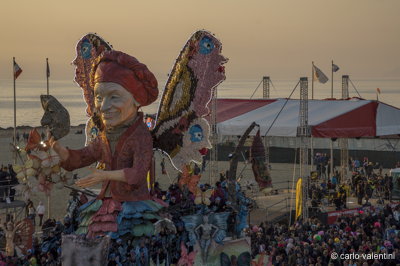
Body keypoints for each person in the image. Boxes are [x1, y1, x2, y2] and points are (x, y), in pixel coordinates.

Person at [50, 50, 159, 238]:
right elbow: (84, 156)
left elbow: (138, 173)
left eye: (114, 97)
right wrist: (60, 151)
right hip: (105, 205)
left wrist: (104, 175)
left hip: (134, 207)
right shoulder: (105, 134)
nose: (103, 106)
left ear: (136, 100)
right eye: (99, 97)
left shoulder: (141, 135)